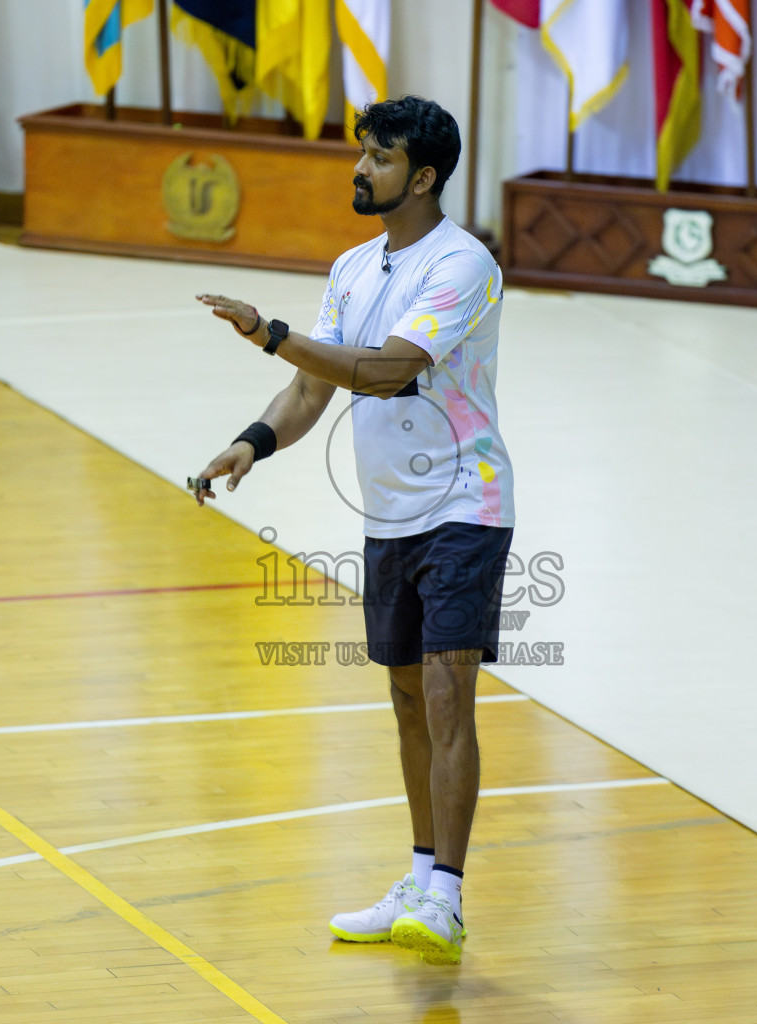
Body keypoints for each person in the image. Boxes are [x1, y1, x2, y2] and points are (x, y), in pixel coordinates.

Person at [192, 95, 514, 965]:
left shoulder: (463, 265)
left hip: (463, 508)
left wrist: (270, 332)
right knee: (407, 698)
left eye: (377, 157)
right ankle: (418, 877)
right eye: (361, 152)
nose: (359, 168)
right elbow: (311, 391)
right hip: (390, 517)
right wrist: (250, 441)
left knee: (447, 695)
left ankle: (445, 896)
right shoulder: (351, 267)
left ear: (423, 176)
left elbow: (381, 372)